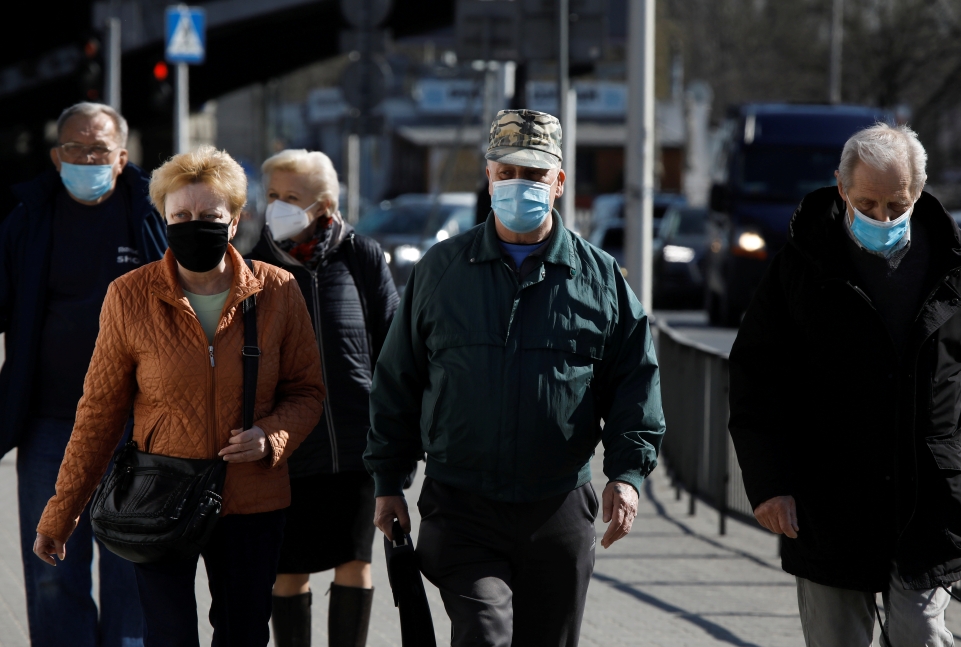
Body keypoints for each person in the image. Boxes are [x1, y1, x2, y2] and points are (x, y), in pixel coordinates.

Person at [365, 109, 665, 647]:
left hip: (558, 507)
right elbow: (397, 379)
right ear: (488, 177)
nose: (518, 185)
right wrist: (389, 482)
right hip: (462, 505)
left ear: (558, 182)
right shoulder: (441, 271)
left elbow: (634, 381)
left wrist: (627, 474)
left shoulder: (598, 279)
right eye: (506, 173)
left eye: (533, 174)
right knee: (484, 631)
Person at [32, 145, 326, 647]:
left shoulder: (278, 290)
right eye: (181, 215)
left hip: (251, 500)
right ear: (165, 220)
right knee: (167, 636)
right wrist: (61, 516)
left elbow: (308, 392)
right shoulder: (129, 295)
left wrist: (270, 437)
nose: (194, 225)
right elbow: (99, 413)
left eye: (209, 215)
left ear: (235, 220)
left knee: (243, 633)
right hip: (159, 497)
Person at [729, 123, 961, 647]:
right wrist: (769, 485)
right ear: (841, 188)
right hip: (829, 500)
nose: (883, 218)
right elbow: (756, 380)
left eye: (897, 206)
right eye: (868, 203)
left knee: (917, 630)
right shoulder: (800, 266)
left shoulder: (958, 263)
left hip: (933, 499)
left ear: (917, 192)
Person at [0, 102, 166, 646]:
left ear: (122, 157)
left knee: (130, 567)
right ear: (56, 157)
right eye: (75, 148)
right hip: (51, 422)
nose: (86, 158)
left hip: (138, 425)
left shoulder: (153, 214)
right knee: (52, 572)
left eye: (98, 149)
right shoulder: (27, 218)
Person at [250, 149, 399, 647]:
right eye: (272, 195)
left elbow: (394, 348)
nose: (277, 207)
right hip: (287, 450)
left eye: (291, 197)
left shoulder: (362, 256)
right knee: (288, 573)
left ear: (324, 205)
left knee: (355, 564)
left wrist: (398, 434)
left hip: (358, 448)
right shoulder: (254, 267)